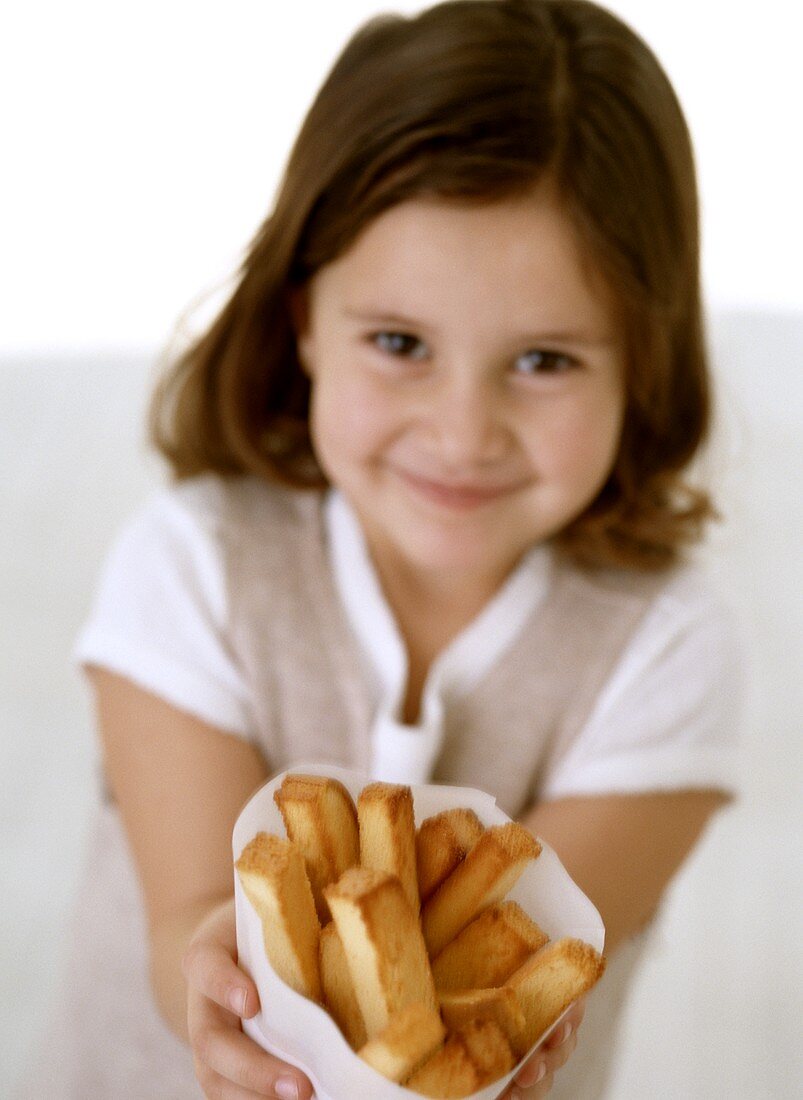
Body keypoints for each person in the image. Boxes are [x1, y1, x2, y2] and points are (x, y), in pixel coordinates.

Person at [17, 1, 742, 1097]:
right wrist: (222, 977)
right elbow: (183, 923)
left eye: (543, 359)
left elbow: (510, 984)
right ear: (304, 321)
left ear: (642, 364)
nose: (461, 431)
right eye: (399, 342)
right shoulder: (194, 568)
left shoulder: (666, 648)